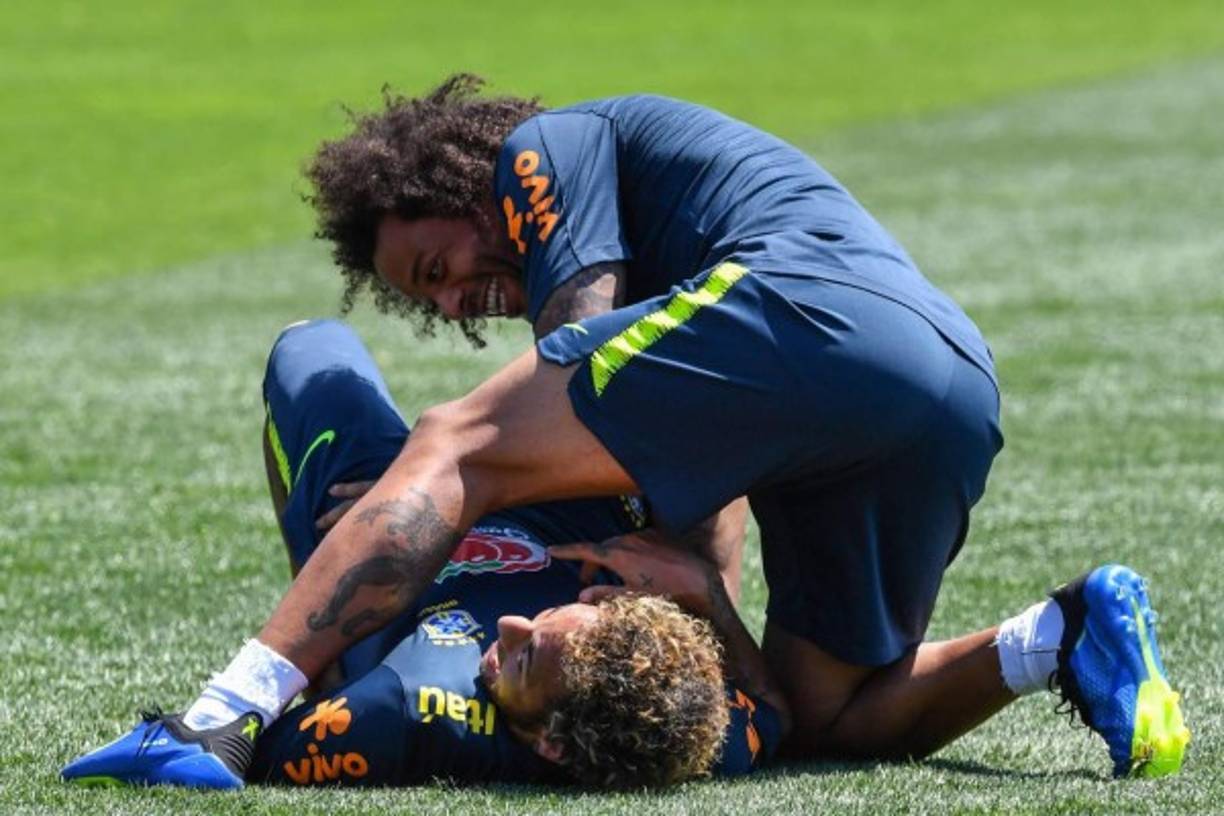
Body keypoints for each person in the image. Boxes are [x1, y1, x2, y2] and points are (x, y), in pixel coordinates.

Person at [68, 74, 1188, 783]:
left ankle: (219, 718)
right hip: (946, 388)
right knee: (830, 716)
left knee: (454, 442)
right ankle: (1060, 631)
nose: (454, 302)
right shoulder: (684, 327)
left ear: (465, 187)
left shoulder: (545, 150)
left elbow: (576, 343)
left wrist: (442, 501)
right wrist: (692, 610)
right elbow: (689, 488)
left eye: (438, 265)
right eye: (431, 301)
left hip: (817, 315)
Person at [62, 319, 785, 789]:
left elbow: (269, 744)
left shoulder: (405, 711)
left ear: (550, 745)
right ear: (604, 605)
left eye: (524, 660)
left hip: (378, 524)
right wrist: (704, 591)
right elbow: (777, 711)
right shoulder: (694, 728)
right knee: (709, 410)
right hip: (546, 502)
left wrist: (369, 536)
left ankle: (332, 563)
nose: (514, 628)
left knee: (309, 347)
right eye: (554, 619)